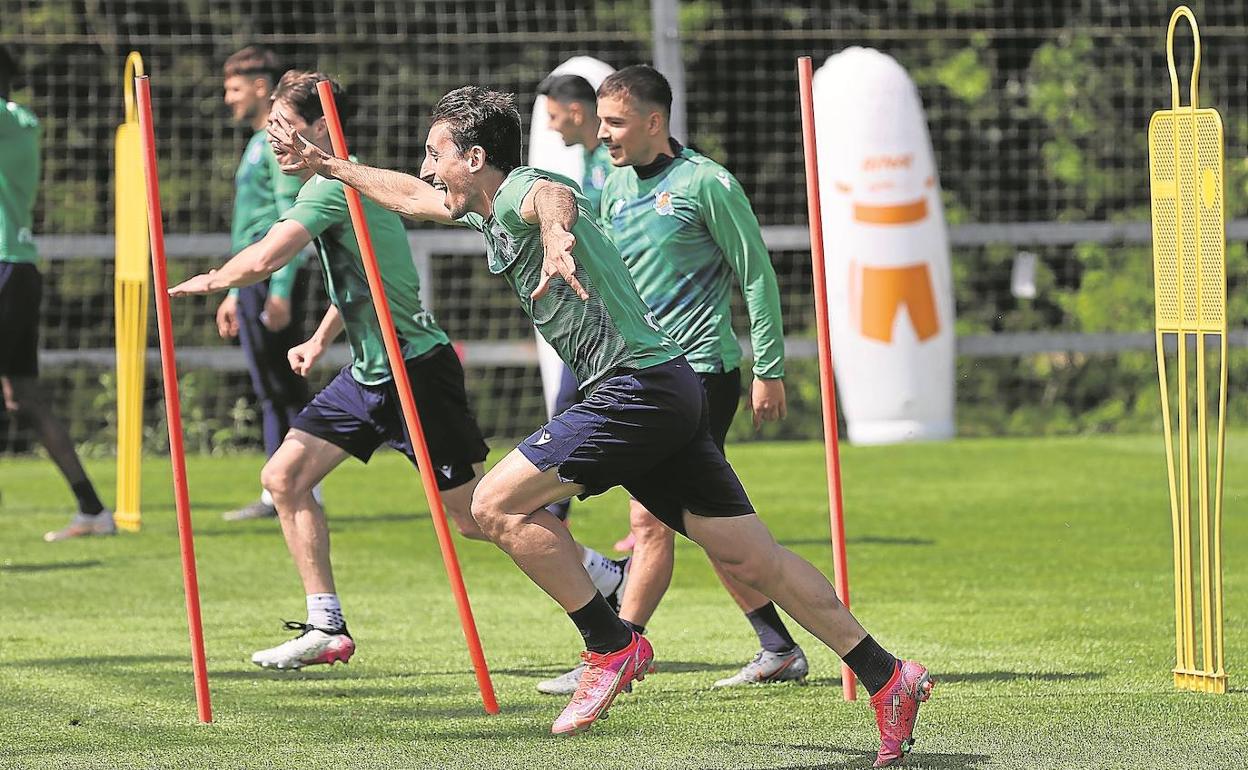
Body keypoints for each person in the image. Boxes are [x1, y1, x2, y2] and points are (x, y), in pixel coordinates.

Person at [271, 85, 933, 767]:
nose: (427, 168)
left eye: (435, 154)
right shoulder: (481, 205)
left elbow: (551, 197)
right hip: (664, 385)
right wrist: (329, 165)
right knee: (753, 559)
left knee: (494, 504)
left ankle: (610, 645)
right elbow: (410, 196)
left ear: (475, 157)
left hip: (635, 389)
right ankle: (889, 676)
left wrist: (558, 236)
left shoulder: (519, 191)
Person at [171, 72, 625, 670]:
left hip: (415, 369)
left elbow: (267, 257)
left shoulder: (330, 188)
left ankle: (603, 575)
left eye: (283, 126)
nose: (273, 137)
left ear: (318, 128)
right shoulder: (341, 184)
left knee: (475, 516)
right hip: (369, 372)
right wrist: (321, 338)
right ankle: (326, 625)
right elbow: (370, 278)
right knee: (284, 478)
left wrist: (214, 280)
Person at [538, 64, 805, 696]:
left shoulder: (706, 183)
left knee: (652, 522)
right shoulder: (611, 186)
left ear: (654, 121)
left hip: (702, 372)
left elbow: (756, 275)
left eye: (616, 122)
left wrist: (769, 369)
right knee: (704, 520)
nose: (604, 133)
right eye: (601, 121)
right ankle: (777, 645)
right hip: (642, 376)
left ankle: (616, 653)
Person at [0, 47, 113, 543]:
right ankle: (92, 508)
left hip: (4, 264)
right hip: (19, 267)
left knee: (24, 395)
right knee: (23, 396)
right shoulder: (20, 122)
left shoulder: (8, 120)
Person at [216, 45, 314, 521]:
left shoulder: (275, 144)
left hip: (273, 272)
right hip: (254, 276)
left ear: (260, 87)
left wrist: (279, 289)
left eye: (234, 88)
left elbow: (288, 216)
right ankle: (282, 489)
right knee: (271, 387)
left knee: (283, 385)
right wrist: (235, 292)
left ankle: (297, 487)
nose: (228, 98)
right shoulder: (257, 143)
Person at [533, 73, 614, 526]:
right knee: (569, 402)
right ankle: (554, 508)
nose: (549, 126)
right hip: (594, 310)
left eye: (553, 115)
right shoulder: (590, 159)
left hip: (616, 315)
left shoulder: (614, 162)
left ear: (577, 112)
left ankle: (553, 508)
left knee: (572, 403)